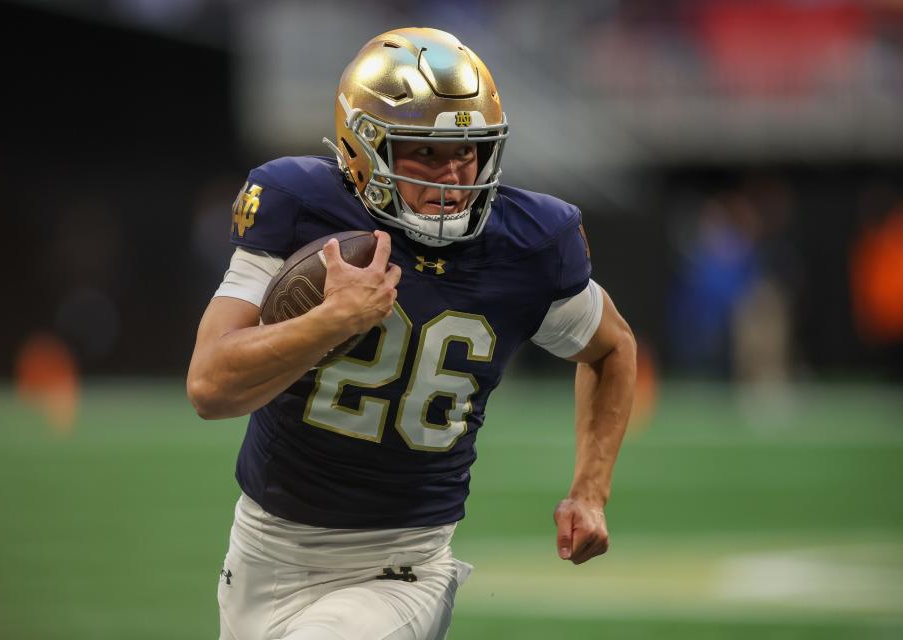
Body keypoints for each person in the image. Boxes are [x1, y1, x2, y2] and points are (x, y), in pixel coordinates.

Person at [187, 27, 636, 640]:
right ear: (362, 149)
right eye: (424, 152)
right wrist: (330, 321)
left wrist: (590, 490)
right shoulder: (299, 205)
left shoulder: (530, 242)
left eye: (468, 151)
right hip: (262, 551)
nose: (453, 175)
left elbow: (612, 348)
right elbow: (211, 386)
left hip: (399, 568)